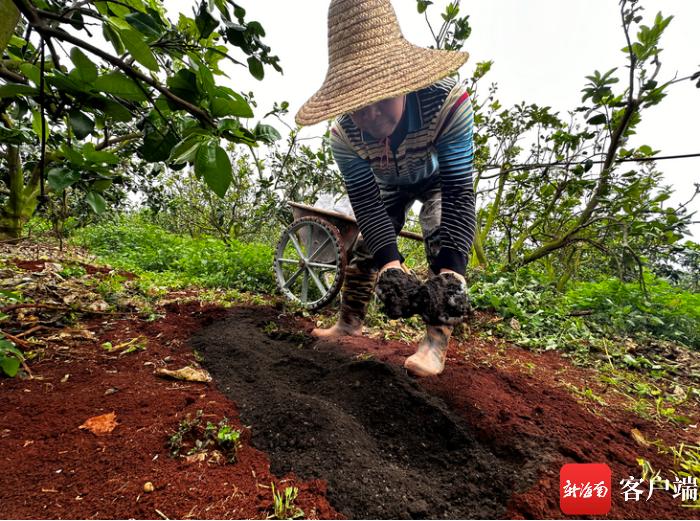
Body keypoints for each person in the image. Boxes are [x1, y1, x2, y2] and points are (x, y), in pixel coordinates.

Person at [295, 0, 476, 377]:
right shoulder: (344, 135)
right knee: (365, 249)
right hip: (389, 183)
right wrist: (391, 266)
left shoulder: (449, 103)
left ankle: (434, 343)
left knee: (442, 232)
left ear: (404, 84)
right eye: (358, 105)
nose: (371, 117)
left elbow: (459, 194)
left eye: (380, 99)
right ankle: (349, 322)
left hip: (438, 179)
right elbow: (365, 201)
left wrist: (451, 273)